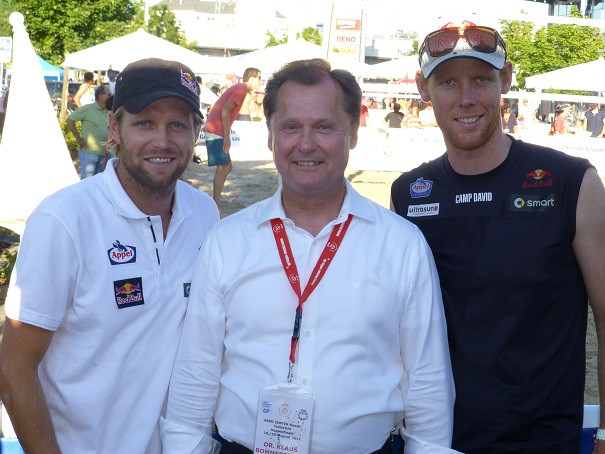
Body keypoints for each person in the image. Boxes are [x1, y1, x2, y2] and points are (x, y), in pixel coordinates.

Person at [161, 58, 455, 454]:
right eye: (290, 127)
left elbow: (427, 378)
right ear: (270, 136)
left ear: (352, 133)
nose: (305, 144)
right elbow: (196, 371)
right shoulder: (226, 241)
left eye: (324, 126)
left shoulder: (403, 245)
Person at [390, 16, 605, 454]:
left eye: (481, 80)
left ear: (506, 79)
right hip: (432, 439)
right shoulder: (408, 193)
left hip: (541, 442)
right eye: (448, 82)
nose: (466, 98)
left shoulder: (571, 182)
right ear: (423, 88)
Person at [0, 58, 220, 454]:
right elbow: (15, 368)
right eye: (145, 123)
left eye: (178, 125)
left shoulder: (205, 215)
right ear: (115, 129)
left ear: (195, 133)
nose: (163, 141)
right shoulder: (64, 220)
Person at [204, 67, 262, 211]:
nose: (260, 82)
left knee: (227, 167)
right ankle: (215, 202)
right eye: (259, 78)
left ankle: (215, 200)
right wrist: (227, 136)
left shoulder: (239, 88)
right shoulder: (241, 89)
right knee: (224, 167)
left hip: (215, 129)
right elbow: (225, 109)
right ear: (252, 78)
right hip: (216, 130)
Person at [67, 83, 111, 179]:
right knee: (86, 184)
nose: (111, 97)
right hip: (89, 153)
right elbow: (69, 120)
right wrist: (79, 139)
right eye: (109, 95)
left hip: (104, 155)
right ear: (100, 96)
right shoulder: (88, 109)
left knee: (99, 184)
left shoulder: (109, 111)